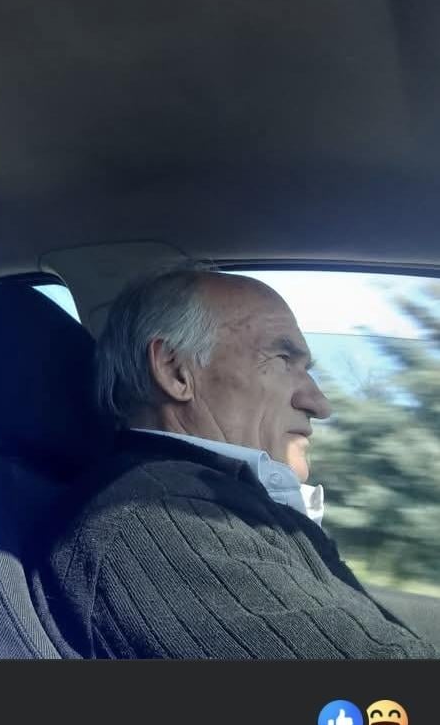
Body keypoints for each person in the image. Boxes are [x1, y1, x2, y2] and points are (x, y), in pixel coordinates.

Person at [31, 267, 437, 659]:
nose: (320, 404)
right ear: (175, 371)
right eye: (282, 359)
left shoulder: (216, 504)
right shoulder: (155, 520)